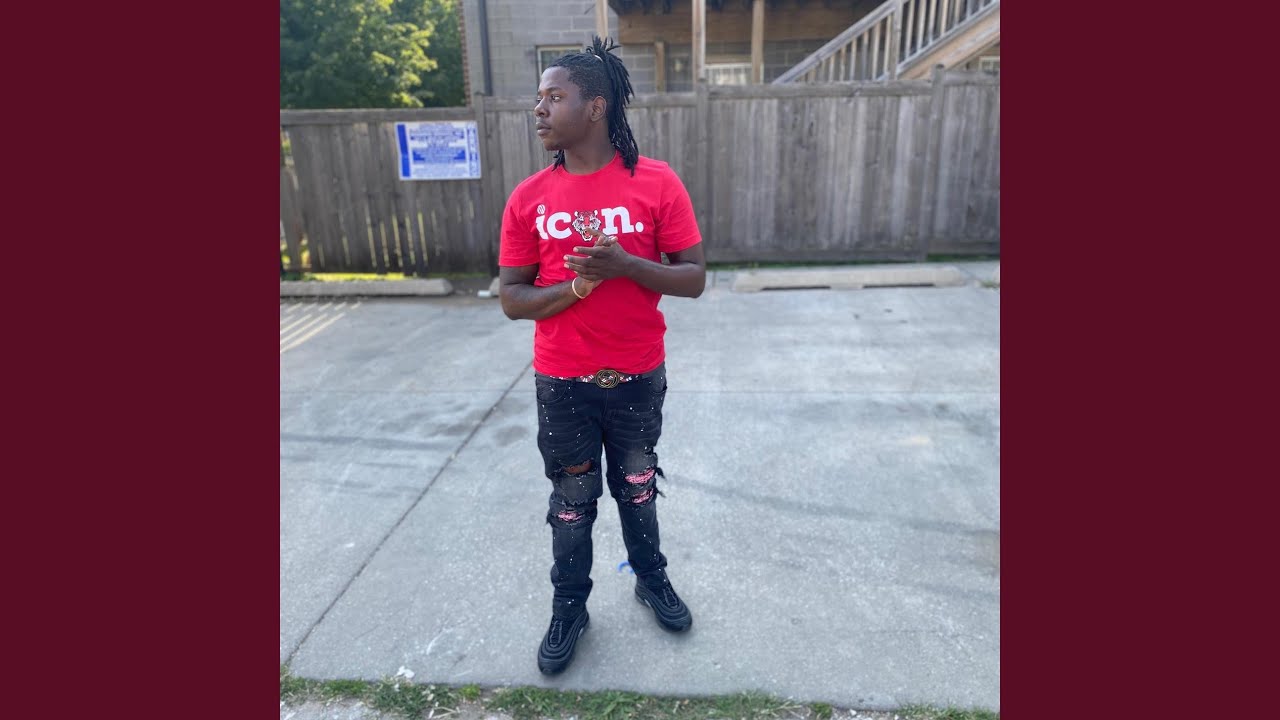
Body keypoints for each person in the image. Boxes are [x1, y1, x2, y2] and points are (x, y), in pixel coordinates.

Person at [498, 35, 706, 675]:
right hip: (563, 379)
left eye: (553, 97)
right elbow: (512, 299)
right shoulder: (528, 197)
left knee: (638, 488)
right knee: (572, 500)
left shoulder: (656, 182)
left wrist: (626, 265)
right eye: (538, 98)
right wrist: (579, 287)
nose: (538, 109)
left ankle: (651, 579)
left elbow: (694, 278)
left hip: (638, 374)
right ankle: (569, 607)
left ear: (595, 107)